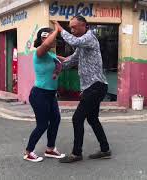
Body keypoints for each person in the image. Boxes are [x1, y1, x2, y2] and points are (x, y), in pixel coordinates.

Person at [52, 16, 111, 163]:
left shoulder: (89, 38)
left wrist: (60, 30)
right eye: (70, 27)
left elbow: (73, 40)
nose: (72, 30)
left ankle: (76, 153)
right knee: (92, 119)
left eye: (74, 27)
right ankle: (105, 149)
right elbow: (71, 60)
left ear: (84, 26)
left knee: (77, 118)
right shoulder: (82, 45)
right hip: (94, 87)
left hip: (95, 86)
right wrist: (56, 60)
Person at [23, 26, 65, 162]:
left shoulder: (52, 55)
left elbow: (67, 60)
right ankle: (28, 151)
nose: (56, 40)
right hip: (39, 94)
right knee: (42, 124)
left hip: (51, 94)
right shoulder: (39, 52)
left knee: (55, 120)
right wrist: (57, 30)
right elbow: (46, 44)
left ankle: (50, 149)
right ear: (44, 37)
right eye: (53, 37)